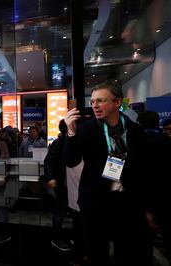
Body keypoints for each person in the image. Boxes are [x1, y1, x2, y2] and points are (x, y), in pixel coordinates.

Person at [64, 81, 153, 266]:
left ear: (117, 102)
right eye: (93, 101)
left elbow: (144, 171)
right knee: (97, 254)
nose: (95, 105)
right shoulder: (86, 129)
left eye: (101, 100)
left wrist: (148, 207)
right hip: (96, 203)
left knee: (131, 253)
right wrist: (71, 133)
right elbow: (70, 160)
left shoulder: (134, 131)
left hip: (127, 202)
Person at [137, 111, 171, 263]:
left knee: (144, 242)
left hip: (143, 196)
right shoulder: (167, 140)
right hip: (165, 194)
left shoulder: (136, 142)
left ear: (139, 123)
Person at [44, 119, 72, 252]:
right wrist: (51, 177)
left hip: (67, 182)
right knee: (60, 209)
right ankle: (57, 238)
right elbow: (49, 160)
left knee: (63, 209)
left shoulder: (67, 140)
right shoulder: (60, 142)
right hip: (63, 182)